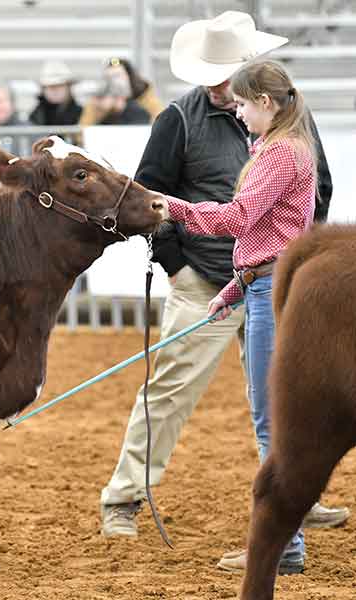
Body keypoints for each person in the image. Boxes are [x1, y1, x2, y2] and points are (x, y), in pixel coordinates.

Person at [98, 10, 342, 553]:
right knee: (169, 392)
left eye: (228, 71)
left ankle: (297, 499)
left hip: (265, 279)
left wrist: (292, 255)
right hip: (207, 280)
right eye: (211, 71)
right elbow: (149, 195)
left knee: (286, 401)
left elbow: (316, 188)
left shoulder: (285, 132)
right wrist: (177, 266)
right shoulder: (178, 120)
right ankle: (124, 498)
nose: (219, 83)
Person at [166, 58, 319, 574]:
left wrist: (175, 208)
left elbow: (239, 219)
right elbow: (275, 237)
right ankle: (287, 545)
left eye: (244, 103)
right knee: (274, 419)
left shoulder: (278, 152)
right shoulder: (286, 147)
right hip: (269, 288)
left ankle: (284, 549)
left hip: (271, 296)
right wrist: (234, 289)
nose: (238, 111)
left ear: (267, 103)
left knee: (270, 422)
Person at [80, 57, 163, 125]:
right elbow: (83, 130)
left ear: (129, 76)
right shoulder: (98, 100)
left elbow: (158, 120)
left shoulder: (144, 94)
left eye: (118, 75)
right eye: (109, 78)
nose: (114, 81)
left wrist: (126, 107)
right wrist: (102, 111)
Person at [81, 72, 151, 125]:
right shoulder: (107, 114)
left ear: (117, 97)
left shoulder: (138, 114)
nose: (95, 102)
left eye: (101, 97)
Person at [28, 60, 82, 126]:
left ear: (68, 87)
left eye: (59, 85)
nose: (54, 91)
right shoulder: (35, 116)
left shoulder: (82, 115)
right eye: (50, 87)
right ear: (43, 89)